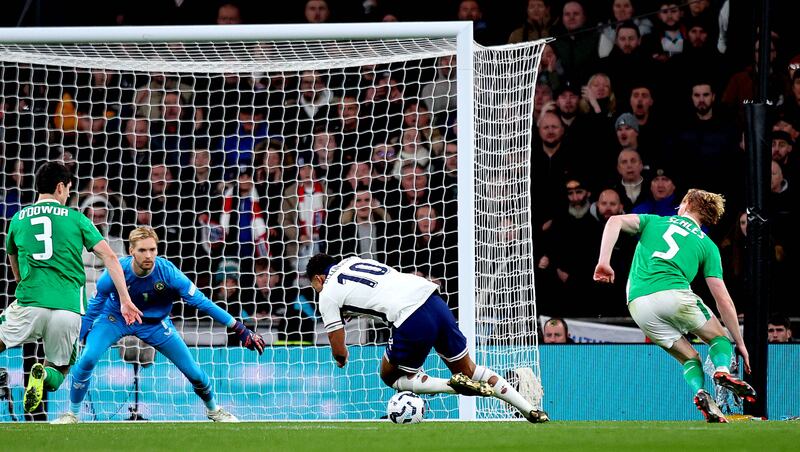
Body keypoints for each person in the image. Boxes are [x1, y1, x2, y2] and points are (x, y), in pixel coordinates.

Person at [51, 227, 265, 424]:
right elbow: (96, 305)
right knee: (87, 358)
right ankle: (72, 413)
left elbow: (203, 302)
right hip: (115, 318)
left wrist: (239, 328)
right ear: (131, 250)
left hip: (155, 323)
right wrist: (78, 336)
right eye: (143, 250)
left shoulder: (168, 272)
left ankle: (214, 410)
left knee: (195, 373)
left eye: (153, 249)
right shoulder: (116, 270)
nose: (149, 255)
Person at [306, 253, 549, 423]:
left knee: (389, 375)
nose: (317, 291)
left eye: (314, 286)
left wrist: (341, 358)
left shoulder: (326, 293)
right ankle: (531, 410)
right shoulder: (352, 261)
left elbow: (339, 348)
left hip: (410, 316)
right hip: (433, 300)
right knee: (468, 369)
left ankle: (450, 386)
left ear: (318, 278)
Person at [593, 189, 756, 423]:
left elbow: (614, 221)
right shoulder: (708, 245)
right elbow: (722, 298)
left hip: (638, 303)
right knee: (719, 339)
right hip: (674, 294)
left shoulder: (654, 220)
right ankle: (721, 370)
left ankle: (700, 392)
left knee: (690, 358)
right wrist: (738, 343)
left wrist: (604, 262)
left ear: (687, 203)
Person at [2, 162, 141, 414]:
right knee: (60, 369)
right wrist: (125, 298)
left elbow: (13, 262)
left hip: (30, 303)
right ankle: (42, 374)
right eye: (67, 190)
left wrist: (24, 284)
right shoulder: (77, 219)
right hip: (68, 309)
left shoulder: (18, 219)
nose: (68, 195)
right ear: (59, 187)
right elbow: (110, 258)